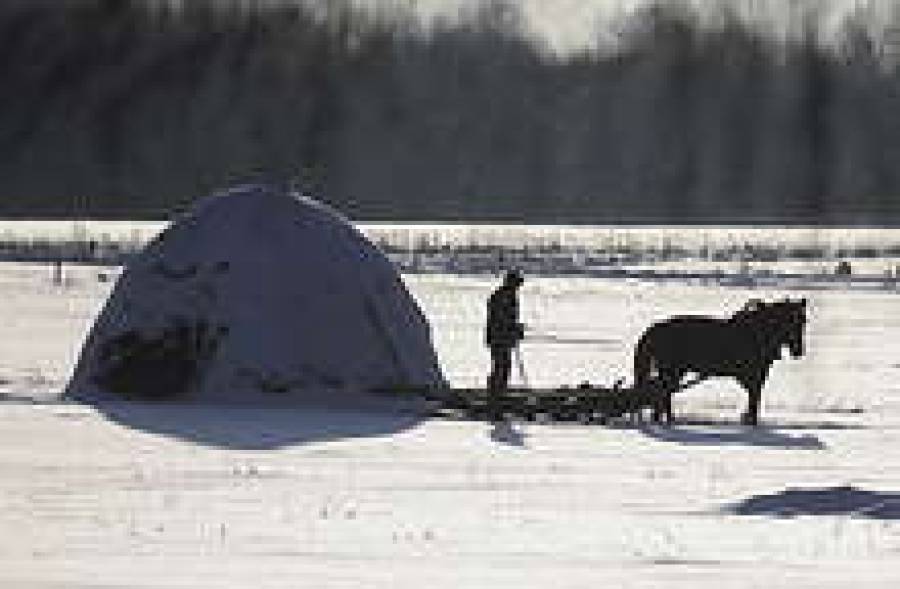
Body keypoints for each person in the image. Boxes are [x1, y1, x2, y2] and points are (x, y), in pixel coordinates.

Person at [485, 269, 525, 419]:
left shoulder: (507, 296)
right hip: (498, 339)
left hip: (502, 339)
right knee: (500, 370)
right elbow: (500, 321)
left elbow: (508, 320)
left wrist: (515, 329)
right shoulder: (502, 297)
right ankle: (494, 404)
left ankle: (497, 401)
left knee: (502, 369)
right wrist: (513, 330)